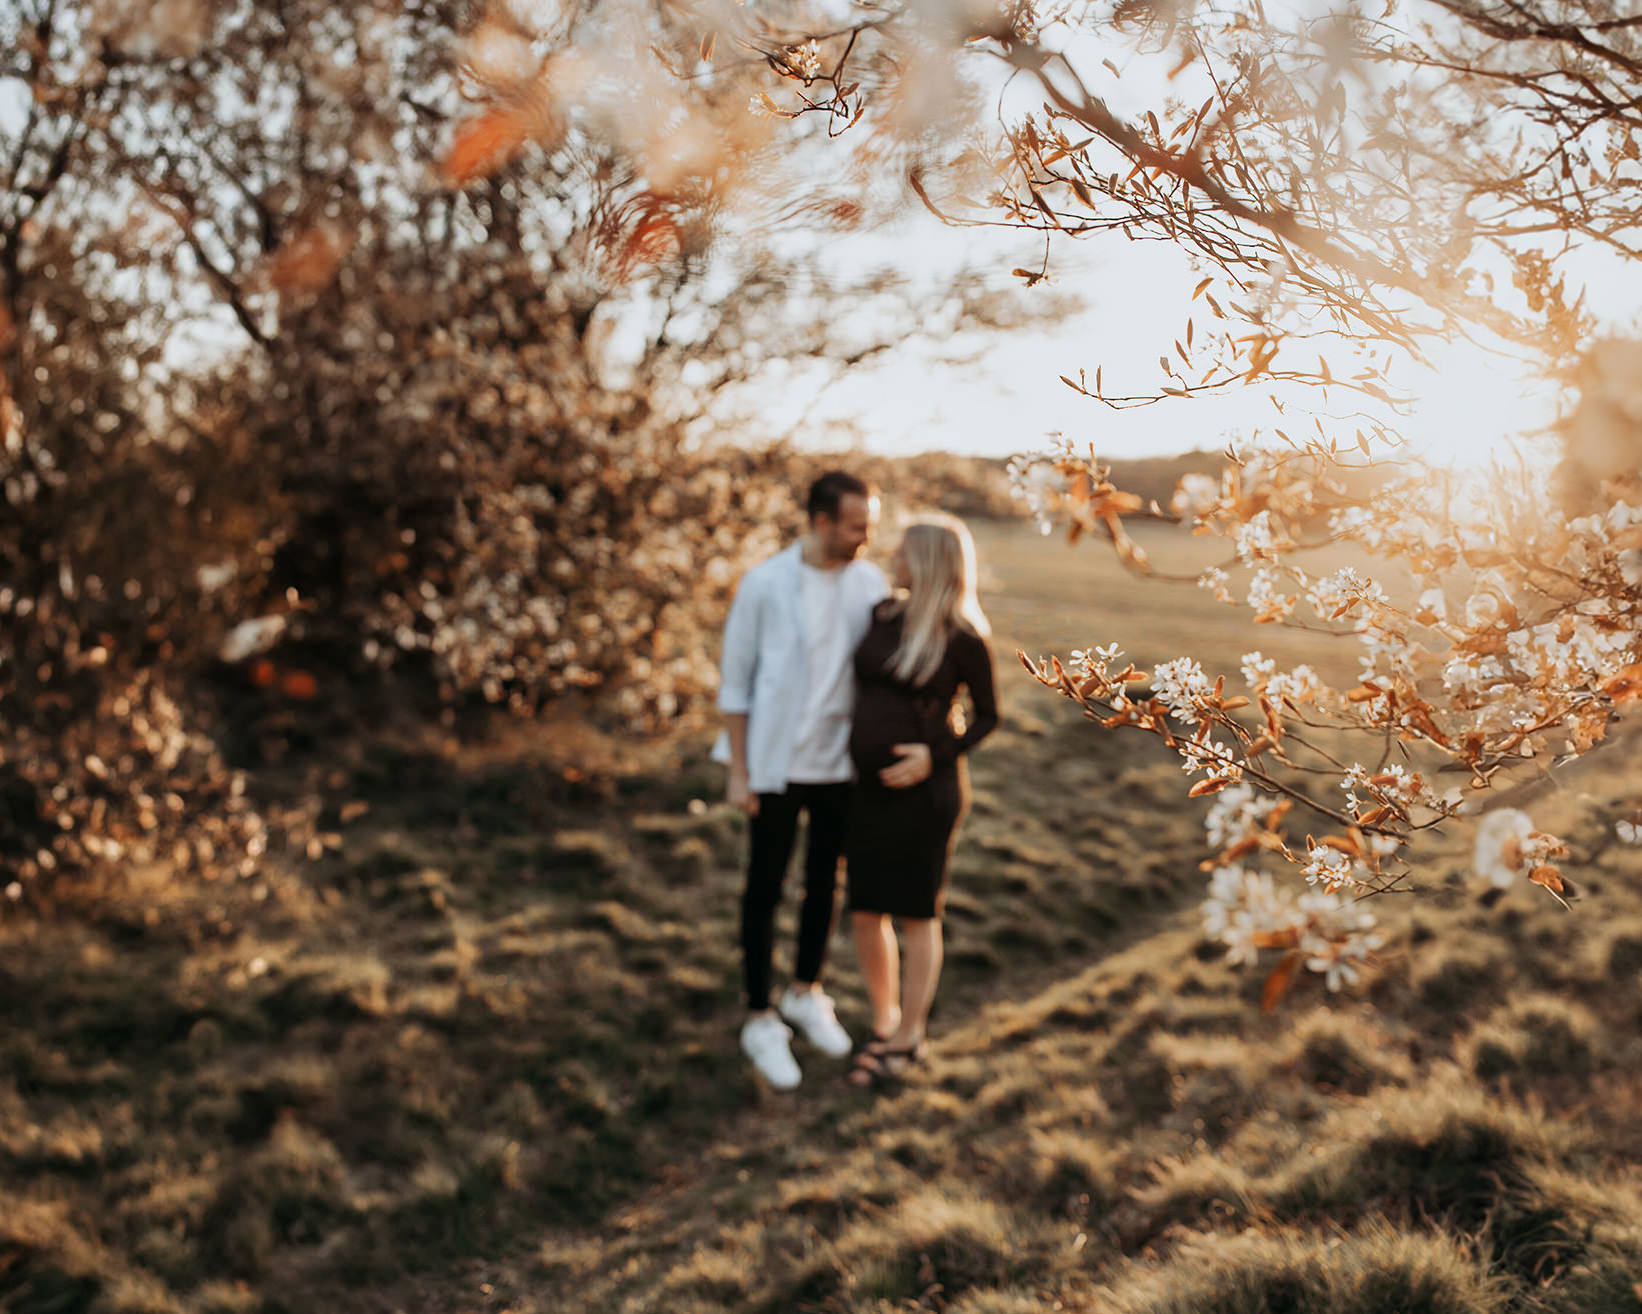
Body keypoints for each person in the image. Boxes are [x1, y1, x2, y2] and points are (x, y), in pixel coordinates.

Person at [714, 471, 888, 1089]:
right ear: (819, 520)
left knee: (825, 885)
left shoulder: (869, 583)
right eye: (855, 526)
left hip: (840, 766)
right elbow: (735, 685)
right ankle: (760, 1017)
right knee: (764, 889)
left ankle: (805, 993)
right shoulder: (764, 585)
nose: (866, 538)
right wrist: (739, 770)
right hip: (774, 766)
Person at [844, 514, 999, 1087]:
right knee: (864, 910)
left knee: (915, 913)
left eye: (903, 549)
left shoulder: (963, 635)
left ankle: (910, 1036)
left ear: (929, 559)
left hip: (926, 797)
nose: (892, 555)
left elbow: (990, 716)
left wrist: (934, 755)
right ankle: (884, 1021)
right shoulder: (882, 614)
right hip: (866, 790)